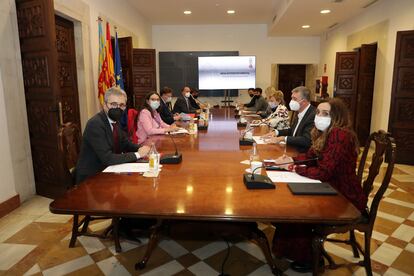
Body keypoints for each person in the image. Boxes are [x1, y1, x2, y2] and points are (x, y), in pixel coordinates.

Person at [272, 98, 368, 273]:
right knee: (291, 201)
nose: (319, 116)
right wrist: (291, 159)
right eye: (318, 112)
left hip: (344, 196)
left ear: (337, 117)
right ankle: (293, 250)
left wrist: (293, 168)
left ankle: (310, 258)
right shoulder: (325, 132)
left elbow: (324, 172)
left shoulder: (341, 135)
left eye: (326, 114)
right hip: (331, 187)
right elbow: (311, 157)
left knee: (299, 208)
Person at [75, 87, 150, 184]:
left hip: (109, 170)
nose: (118, 108)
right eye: (114, 104)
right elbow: (108, 158)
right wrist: (138, 154)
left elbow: (124, 143)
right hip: (92, 177)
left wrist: (141, 148)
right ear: (104, 105)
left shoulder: (115, 121)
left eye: (122, 105)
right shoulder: (95, 124)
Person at [265, 86, 316, 153]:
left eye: (294, 99)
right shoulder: (299, 111)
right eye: (292, 98)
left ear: (304, 102)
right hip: (292, 148)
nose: (292, 101)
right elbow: (292, 131)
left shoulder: (313, 115)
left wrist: (283, 138)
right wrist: (276, 132)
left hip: (301, 154)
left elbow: (306, 140)